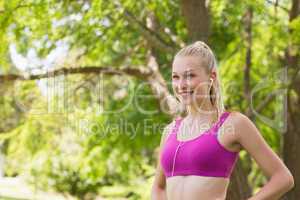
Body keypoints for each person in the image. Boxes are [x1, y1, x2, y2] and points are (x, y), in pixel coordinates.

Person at [151, 41, 294, 200]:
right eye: (175, 77)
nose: (181, 85)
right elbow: (158, 187)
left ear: (211, 77)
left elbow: (283, 178)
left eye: (190, 75)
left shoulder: (233, 124)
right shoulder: (169, 131)